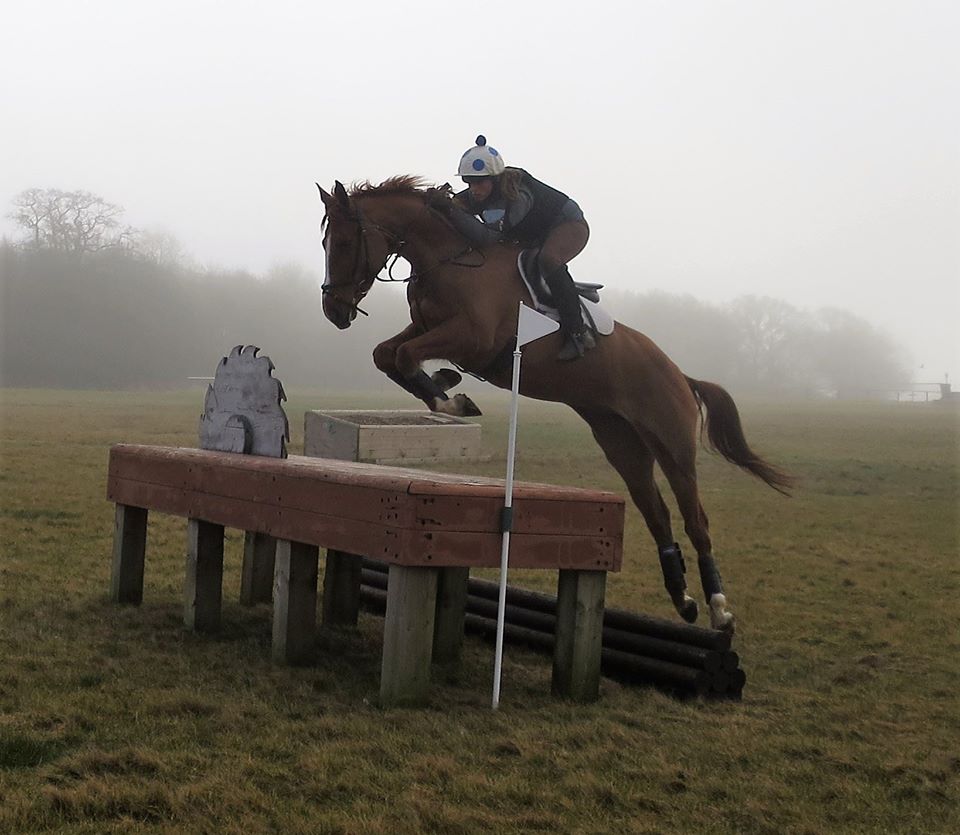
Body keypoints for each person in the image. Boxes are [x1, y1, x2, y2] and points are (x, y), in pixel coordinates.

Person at [439, 135, 593, 360]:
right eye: (469, 183)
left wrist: (451, 210)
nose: (474, 189)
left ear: (495, 179)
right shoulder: (481, 191)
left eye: (480, 182)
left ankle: (579, 332)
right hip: (535, 233)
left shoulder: (518, 196)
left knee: (548, 259)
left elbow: (488, 237)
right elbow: (455, 207)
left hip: (568, 225)